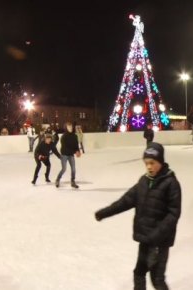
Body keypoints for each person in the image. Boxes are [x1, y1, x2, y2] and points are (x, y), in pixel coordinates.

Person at [94, 142, 181, 290]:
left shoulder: (171, 183)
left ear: (160, 161)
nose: (149, 167)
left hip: (159, 243)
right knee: (139, 273)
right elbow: (126, 201)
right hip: (145, 239)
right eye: (146, 163)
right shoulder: (144, 181)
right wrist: (105, 212)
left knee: (157, 279)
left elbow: (174, 214)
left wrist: (156, 236)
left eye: (152, 163)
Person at [55, 122, 81, 188]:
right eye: (69, 127)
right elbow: (65, 147)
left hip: (71, 154)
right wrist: (75, 152)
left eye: (71, 127)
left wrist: (78, 151)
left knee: (73, 169)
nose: (70, 128)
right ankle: (57, 180)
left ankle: (73, 181)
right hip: (64, 154)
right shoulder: (63, 136)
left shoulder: (74, 136)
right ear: (66, 128)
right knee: (64, 169)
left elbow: (76, 145)